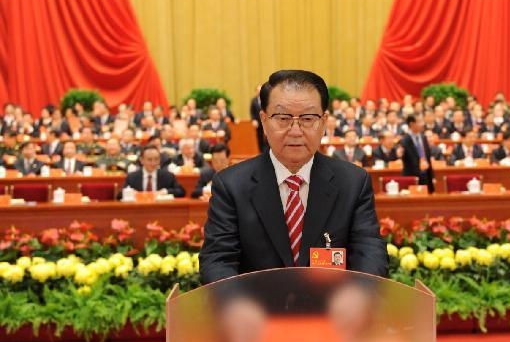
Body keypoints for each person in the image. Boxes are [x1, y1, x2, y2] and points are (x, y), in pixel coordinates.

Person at [199, 69, 388, 283]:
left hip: (332, 310)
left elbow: (369, 251)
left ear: (324, 122)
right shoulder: (231, 185)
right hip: (255, 311)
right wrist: (238, 305)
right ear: (263, 120)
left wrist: (358, 296)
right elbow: (218, 259)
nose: (295, 130)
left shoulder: (353, 183)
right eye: (282, 118)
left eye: (308, 118)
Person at [120, 145, 185, 197]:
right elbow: (119, 194)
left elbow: (181, 191)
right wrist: (130, 193)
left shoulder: (168, 176)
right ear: (141, 160)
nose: (153, 163)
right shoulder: (132, 177)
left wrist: (165, 192)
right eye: (149, 159)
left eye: (156, 159)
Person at [400, 115, 435, 192]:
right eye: (419, 122)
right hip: (412, 177)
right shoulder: (404, 140)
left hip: (426, 176)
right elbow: (402, 157)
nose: (422, 124)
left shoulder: (423, 137)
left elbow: (427, 157)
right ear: (412, 124)